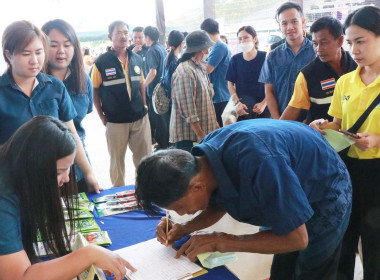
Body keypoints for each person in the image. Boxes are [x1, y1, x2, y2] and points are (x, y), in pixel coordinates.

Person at [136, 119, 352, 280]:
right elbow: (220, 200)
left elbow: (297, 238)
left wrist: (222, 240)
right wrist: (184, 228)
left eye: (180, 207)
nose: (181, 214)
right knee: (283, 268)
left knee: (312, 268)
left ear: (197, 186)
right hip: (283, 182)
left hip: (325, 190)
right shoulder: (204, 162)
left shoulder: (261, 163)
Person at [0, 116, 135, 280]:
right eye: (59, 172)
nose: (66, 179)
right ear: (33, 166)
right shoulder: (4, 200)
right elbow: (19, 277)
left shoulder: (11, 167)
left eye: (69, 169)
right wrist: (89, 254)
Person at [309, 6, 380, 280]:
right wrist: (323, 127)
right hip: (346, 172)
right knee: (343, 239)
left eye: (361, 41)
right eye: (350, 43)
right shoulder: (346, 83)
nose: (354, 50)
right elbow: (337, 123)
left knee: (375, 245)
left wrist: (376, 140)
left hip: (377, 174)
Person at [0, 20, 100, 193]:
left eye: (39, 52)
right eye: (26, 54)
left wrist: (89, 173)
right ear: (9, 55)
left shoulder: (54, 87)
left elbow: (72, 134)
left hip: (61, 178)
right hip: (18, 184)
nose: (34, 60)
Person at [91, 20, 151, 187]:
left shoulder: (137, 59)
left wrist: (145, 106)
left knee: (144, 158)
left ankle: (145, 191)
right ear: (111, 36)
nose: (123, 36)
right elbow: (94, 90)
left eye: (126, 32)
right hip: (116, 120)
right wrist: (101, 114)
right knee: (117, 161)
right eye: (119, 33)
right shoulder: (101, 62)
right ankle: (118, 193)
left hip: (139, 117)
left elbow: (141, 85)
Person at [42, 19, 95, 192]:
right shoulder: (35, 82)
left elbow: (79, 123)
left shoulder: (83, 79)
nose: (61, 51)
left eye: (67, 44)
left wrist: (89, 173)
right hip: (45, 166)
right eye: (54, 45)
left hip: (77, 162)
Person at [280, 17, 357, 124]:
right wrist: (276, 131)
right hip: (322, 135)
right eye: (315, 44)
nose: (319, 49)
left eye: (324, 42)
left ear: (340, 41)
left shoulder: (358, 66)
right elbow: (293, 109)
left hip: (359, 135)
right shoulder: (307, 75)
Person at [258, 2, 315, 121]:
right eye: (284, 23)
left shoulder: (316, 52)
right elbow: (269, 91)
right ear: (279, 26)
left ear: (303, 22)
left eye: (294, 21)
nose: (290, 27)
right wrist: (278, 121)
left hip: (312, 122)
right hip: (281, 120)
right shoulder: (273, 55)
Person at [169, 30, 219, 152]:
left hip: (202, 133)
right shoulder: (185, 71)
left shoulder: (200, 67)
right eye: (208, 47)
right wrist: (200, 134)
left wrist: (215, 124)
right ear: (203, 49)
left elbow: (207, 97)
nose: (209, 51)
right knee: (192, 170)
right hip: (190, 137)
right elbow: (188, 109)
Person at [226, 25, 270, 121]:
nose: (243, 41)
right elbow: (230, 84)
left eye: (246, 37)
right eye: (240, 39)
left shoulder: (266, 57)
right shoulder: (235, 60)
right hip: (243, 109)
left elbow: (274, 84)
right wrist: (237, 103)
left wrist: (264, 103)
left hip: (264, 108)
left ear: (254, 39)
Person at [201, 18, 231, 127]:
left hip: (220, 95)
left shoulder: (219, 47)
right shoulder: (217, 47)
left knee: (219, 128)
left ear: (205, 32)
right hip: (220, 94)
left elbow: (208, 69)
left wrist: (197, 62)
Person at [143, 26, 168, 150]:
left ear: (147, 37)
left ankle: (162, 144)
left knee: (157, 117)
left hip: (154, 90)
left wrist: (143, 85)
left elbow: (152, 72)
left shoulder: (152, 51)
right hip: (163, 88)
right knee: (162, 116)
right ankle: (165, 142)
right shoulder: (161, 48)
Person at [160, 30, 185, 139]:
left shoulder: (168, 58)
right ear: (181, 44)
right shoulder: (176, 62)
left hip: (169, 100)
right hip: (175, 102)